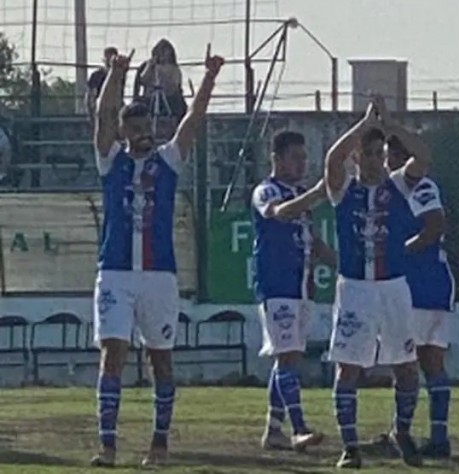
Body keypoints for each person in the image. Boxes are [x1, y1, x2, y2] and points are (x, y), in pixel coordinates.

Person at [90, 44, 224, 467]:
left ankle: (159, 444)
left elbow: (193, 120)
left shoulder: (167, 161)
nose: (143, 131)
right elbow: (102, 116)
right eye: (135, 126)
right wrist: (117, 73)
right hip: (115, 273)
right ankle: (107, 445)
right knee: (112, 354)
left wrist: (209, 78)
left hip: (159, 275)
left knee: (160, 359)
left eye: (147, 124)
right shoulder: (111, 161)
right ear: (124, 131)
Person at [323, 95, 429, 469]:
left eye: (379, 154)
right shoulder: (344, 190)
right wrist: (364, 124)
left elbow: (423, 157)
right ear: (357, 156)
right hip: (355, 288)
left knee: (406, 364)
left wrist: (391, 124)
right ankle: (350, 446)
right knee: (348, 367)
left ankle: (403, 431)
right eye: (367, 154)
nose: (374, 160)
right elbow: (332, 160)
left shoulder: (398, 186)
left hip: (393, 286)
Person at [251, 130, 337, 452]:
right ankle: (299, 428)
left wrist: (346, 266)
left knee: (289, 357)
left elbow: (313, 241)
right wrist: (316, 193)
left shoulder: (300, 194)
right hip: (276, 284)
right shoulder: (266, 190)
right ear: (276, 159)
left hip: (301, 285)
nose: (302, 163)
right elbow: (279, 212)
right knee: (287, 356)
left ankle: (273, 430)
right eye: (295, 157)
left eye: (304, 157)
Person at [382, 130, 455, 458]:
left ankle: (402, 431)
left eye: (390, 158)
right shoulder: (408, 188)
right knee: (430, 363)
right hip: (435, 285)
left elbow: (435, 226)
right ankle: (438, 436)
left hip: (420, 286)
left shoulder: (420, 185)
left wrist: (401, 251)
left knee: (406, 363)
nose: (387, 165)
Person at [135, 39, 187, 120]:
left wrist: (163, 75)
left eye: (164, 52)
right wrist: (150, 66)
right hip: (150, 99)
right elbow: (143, 80)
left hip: (169, 99)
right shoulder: (150, 66)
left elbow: (175, 86)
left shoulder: (174, 69)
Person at [86, 47, 120, 118]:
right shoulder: (96, 76)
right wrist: (92, 110)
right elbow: (91, 95)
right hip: (100, 108)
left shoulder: (119, 76)